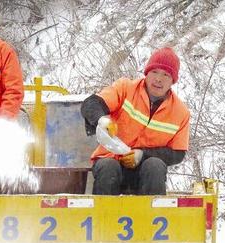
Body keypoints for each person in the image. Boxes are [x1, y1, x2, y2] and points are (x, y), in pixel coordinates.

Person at [80, 47, 190, 195]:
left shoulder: (180, 113)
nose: (158, 79)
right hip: (110, 161)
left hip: (146, 173)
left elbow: (178, 153)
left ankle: (153, 217)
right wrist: (101, 120)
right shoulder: (125, 88)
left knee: (155, 166)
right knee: (108, 167)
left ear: (173, 81)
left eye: (166, 74)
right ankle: (103, 217)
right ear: (146, 73)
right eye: (154, 72)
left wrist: (142, 155)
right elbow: (92, 103)